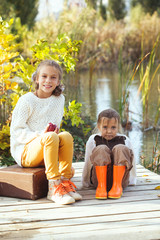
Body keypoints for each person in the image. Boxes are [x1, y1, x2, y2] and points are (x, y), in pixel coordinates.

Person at [10, 59, 82, 205]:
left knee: (66, 136)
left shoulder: (59, 99)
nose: (48, 81)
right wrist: (40, 135)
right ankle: (53, 189)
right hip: (25, 151)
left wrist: (51, 133)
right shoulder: (26, 101)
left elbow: (55, 128)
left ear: (58, 81)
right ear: (36, 78)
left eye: (53, 77)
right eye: (44, 76)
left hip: (46, 145)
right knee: (49, 136)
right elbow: (17, 131)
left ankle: (65, 183)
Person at [82, 108, 136, 199]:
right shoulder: (93, 140)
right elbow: (88, 162)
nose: (109, 131)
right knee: (101, 149)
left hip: (121, 181)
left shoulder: (125, 140)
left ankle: (117, 186)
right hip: (98, 181)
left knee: (121, 148)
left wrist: (132, 180)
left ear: (118, 127)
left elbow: (132, 162)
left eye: (113, 127)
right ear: (99, 126)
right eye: (105, 127)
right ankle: (101, 188)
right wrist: (86, 182)